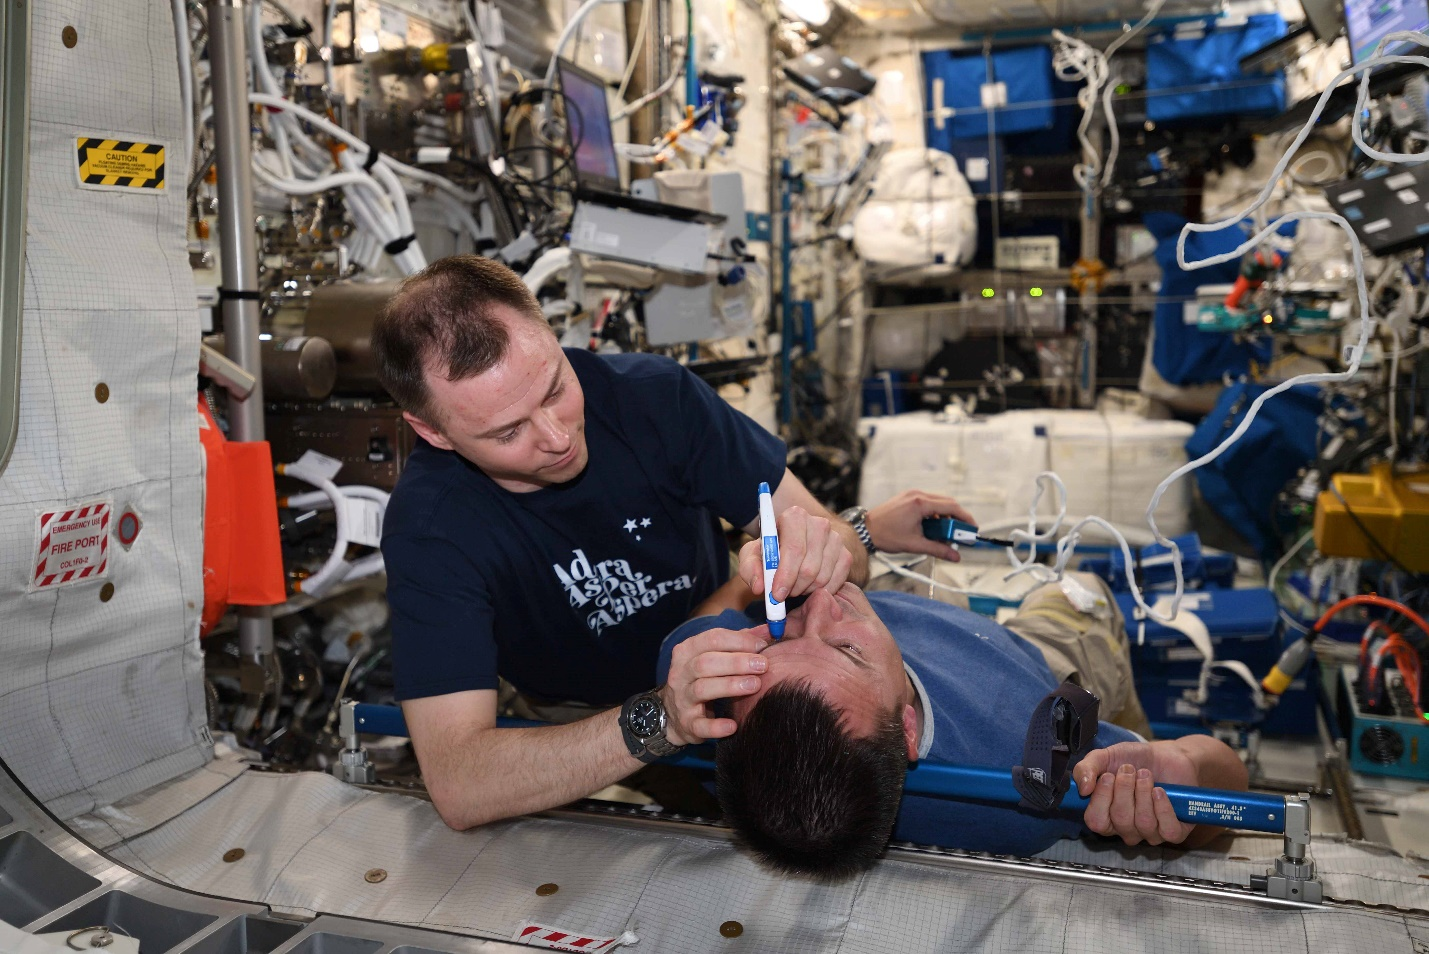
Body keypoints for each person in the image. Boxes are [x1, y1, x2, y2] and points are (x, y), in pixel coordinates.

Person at [372, 254, 971, 830]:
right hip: (585, 720)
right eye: (508, 432)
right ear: (433, 431)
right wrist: (660, 718)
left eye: (555, 388)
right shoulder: (432, 527)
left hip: (736, 673)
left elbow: (839, 543)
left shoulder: (657, 400)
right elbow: (459, 784)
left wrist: (826, 547)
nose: (556, 438)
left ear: (551, 336)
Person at [656, 579, 1249, 879]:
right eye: (846, 650)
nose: (820, 604)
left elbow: (689, 642)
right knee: (1081, 598)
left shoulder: (704, 710)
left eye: (776, 639)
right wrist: (1185, 768)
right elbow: (1231, 800)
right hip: (1038, 663)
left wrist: (751, 570)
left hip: (934, 617)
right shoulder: (1040, 766)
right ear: (908, 729)